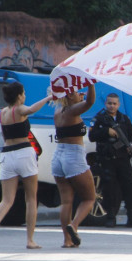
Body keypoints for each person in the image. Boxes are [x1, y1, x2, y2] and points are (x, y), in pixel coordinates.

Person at [0, 82, 52, 249]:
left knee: (6, 200)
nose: (25, 96)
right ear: (19, 96)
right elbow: (31, 110)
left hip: (7, 155)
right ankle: (30, 240)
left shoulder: (2, 113)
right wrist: (49, 97)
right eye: (24, 93)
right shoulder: (19, 109)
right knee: (31, 198)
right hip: (23, 153)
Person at [88, 93, 132, 228]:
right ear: (105, 103)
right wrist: (106, 132)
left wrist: (131, 145)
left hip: (123, 159)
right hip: (107, 159)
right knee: (110, 189)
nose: (112, 106)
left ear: (118, 105)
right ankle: (110, 217)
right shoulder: (99, 119)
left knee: (130, 187)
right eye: (109, 103)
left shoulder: (123, 118)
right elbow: (92, 136)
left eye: (114, 103)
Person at [52, 85, 96, 247]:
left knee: (66, 202)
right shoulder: (72, 111)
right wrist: (91, 83)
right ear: (70, 96)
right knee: (89, 198)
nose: (82, 94)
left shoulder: (58, 112)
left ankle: (67, 241)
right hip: (73, 156)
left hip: (58, 158)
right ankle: (74, 225)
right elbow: (90, 102)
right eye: (78, 92)